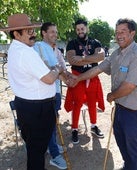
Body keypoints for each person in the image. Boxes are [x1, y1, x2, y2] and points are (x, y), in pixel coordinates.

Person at [68, 18, 137, 170]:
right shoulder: (116, 54)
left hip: (135, 112)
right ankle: (128, 166)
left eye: (123, 32)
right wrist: (79, 78)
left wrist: (111, 96)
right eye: (117, 32)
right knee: (121, 141)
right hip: (120, 108)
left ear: (132, 33)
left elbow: (129, 86)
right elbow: (98, 69)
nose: (119, 35)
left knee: (134, 149)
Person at [0, 13, 67, 170]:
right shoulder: (26, 52)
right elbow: (49, 79)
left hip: (29, 107)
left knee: (35, 150)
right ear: (16, 34)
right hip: (37, 110)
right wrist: (57, 69)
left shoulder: (17, 49)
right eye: (28, 31)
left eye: (33, 30)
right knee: (37, 152)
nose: (33, 34)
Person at [64, 19, 105, 144]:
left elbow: (101, 56)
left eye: (82, 28)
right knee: (77, 103)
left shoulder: (95, 42)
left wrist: (82, 58)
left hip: (92, 76)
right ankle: (75, 129)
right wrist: (92, 59)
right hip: (77, 77)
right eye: (78, 29)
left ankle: (93, 126)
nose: (80, 31)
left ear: (86, 28)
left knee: (92, 103)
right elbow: (71, 60)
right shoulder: (72, 43)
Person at [34, 22, 67, 169]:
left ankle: (51, 144)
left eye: (56, 31)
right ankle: (55, 155)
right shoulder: (38, 47)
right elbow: (47, 69)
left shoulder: (56, 50)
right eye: (52, 32)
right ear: (43, 33)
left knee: (53, 122)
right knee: (48, 124)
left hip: (56, 92)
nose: (55, 34)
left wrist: (70, 78)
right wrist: (58, 71)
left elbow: (61, 70)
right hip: (45, 94)